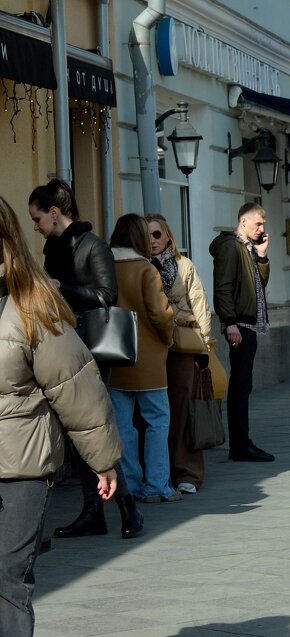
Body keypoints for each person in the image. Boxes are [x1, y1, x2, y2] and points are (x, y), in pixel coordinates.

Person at [0, 194, 123, 637]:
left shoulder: (31, 307)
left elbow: (75, 387)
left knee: (7, 574)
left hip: (22, 466)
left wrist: (102, 459)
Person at [30, 179, 143, 540]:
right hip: (63, 343)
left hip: (92, 346)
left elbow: (107, 294)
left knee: (91, 426)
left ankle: (126, 508)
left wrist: (65, 288)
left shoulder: (94, 246)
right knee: (80, 431)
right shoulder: (52, 248)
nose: (35, 226)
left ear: (54, 213)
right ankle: (95, 510)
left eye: (37, 218)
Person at [109, 214, 178, 503]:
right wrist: (168, 338)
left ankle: (131, 486)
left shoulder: (106, 267)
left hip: (114, 354)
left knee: (123, 426)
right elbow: (161, 314)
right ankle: (157, 485)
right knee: (157, 422)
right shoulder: (146, 270)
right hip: (148, 356)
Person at [147, 214, 212, 494]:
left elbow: (200, 304)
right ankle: (159, 473)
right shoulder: (141, 267)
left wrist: (206, 345)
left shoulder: (184, 265)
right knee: (155, 412)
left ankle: (188, 473)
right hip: (152, 345)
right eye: (147, 235)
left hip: (184, 343)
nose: (152, 241)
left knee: (185, 408)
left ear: (168, 235)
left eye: (157, 234)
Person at [210, 203, 272, 462]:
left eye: (263, 225)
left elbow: (258, 283)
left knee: (243, 383)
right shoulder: (230, 247)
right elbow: (222, 287)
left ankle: (242, 442)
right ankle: (240, 445)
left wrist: (262, 256)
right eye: (257, 224)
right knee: (239, 384)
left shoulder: (247, 249)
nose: (261, 229)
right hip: (240, 324)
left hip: (247, 323)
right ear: (243, 221)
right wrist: (229, 322)